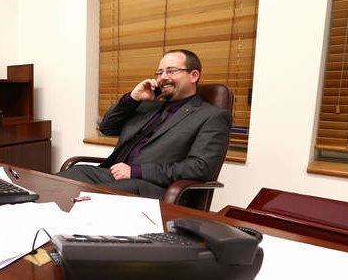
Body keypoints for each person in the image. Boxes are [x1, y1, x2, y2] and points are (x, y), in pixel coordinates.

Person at [57, 49, 232, 199]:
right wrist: (132, 99)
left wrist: (136, 171)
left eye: (171, 71)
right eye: (159, 72)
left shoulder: (212, 116)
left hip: (151, 186)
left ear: (194, 75)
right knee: (61, 181)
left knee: (86, 198)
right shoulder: (148, 105)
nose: (163, 77)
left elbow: (200, 168)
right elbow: (107, 127)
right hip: (112, 174)